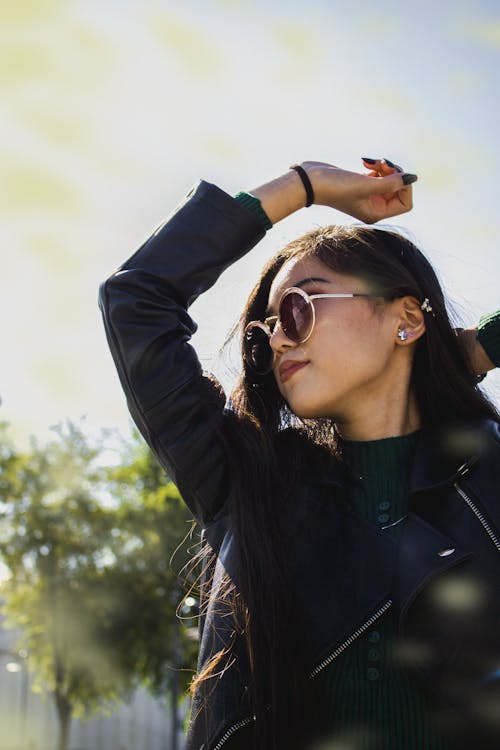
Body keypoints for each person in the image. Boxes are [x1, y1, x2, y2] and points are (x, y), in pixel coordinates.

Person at [99, 158, 500, 750]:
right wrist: (304, 185)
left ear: (406, 317)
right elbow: (136, 301)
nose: (280, 337)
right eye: (266, 331)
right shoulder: (248, 482)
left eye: (300, 308)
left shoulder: (487, 477)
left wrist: (465, 352)